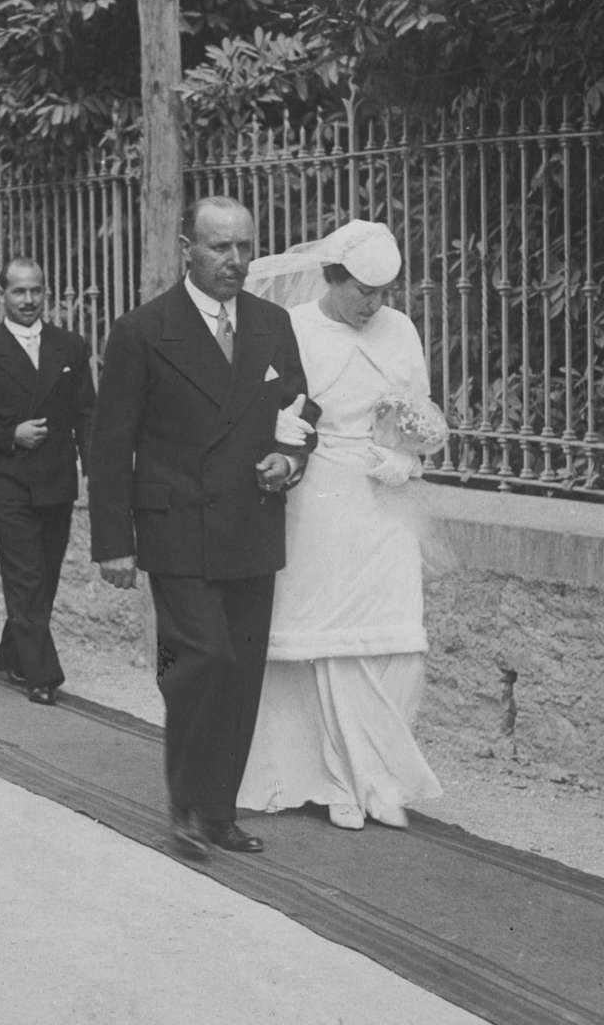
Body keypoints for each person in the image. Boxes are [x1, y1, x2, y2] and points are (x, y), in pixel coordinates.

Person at [88, 196, 317, 861]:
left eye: (245, 247)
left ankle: (218, 812)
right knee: (202, 660)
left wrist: (292, 457)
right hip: (176, 528)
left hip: (251, 522)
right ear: (187, 247)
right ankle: (184, 802)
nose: (236, 262)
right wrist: (113, 543)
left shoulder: (273, 325)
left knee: (241, 672)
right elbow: (110, 446)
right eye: (221, 247)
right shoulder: (143, 330)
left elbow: (300, 409)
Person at [237, 221, 443, 831]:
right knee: (322, 640)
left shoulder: (400, 329)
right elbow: (268, 406)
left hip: (384, 500)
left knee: (395, 636)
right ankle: (328, 781)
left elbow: (423, 413)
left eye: (384, 291)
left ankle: (376, 779)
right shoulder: (294, 326)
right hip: (319, 496)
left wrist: (405, 459)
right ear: (332, 277)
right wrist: (283, 434)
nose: (374, 303)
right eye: (362, 290)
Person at [0, 258, 97, 706]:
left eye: (36, 291)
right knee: (26, 573)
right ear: (1, 294)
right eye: (19, 292)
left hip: (56, 476)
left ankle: (11, 653)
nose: (29, 300)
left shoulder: (69, 346)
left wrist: (95, 472)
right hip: (6, 476)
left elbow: (87, 414)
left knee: (46, 574)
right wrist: (8, 435)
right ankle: (42, 673)